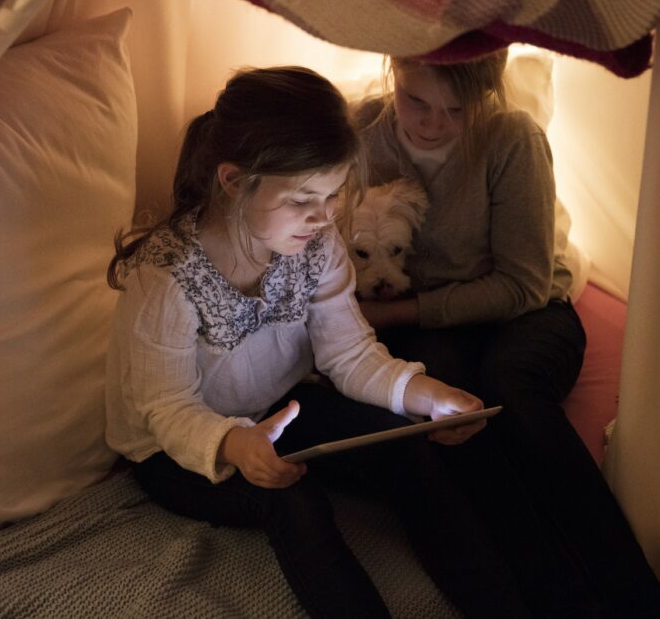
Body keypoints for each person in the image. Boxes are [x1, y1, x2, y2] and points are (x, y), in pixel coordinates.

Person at [104, 65, 536, 618]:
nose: (322, 216)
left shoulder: (316, 244)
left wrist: (429, 397)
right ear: (234, 181)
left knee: (406, 444)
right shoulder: (165, 277)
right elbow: (166, 407)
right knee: (292, 500)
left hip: (279, 408)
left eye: (333, 196)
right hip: (178, 446)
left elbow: (350, 354)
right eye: (304, 198)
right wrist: (236, 446)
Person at [353, 51, 660, 618]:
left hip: (529, 310)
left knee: (514, 392)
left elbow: (522, 286)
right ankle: (553, 600)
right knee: (456, 416)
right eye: (416, 102)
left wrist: (398, 314)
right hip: (433, 326)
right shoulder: (364, 137)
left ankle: (639, 602)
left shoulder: (511, 139)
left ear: (486, 95)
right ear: (393, 74)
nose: (432, 124)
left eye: (457, 109)